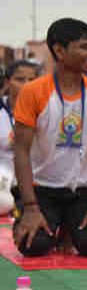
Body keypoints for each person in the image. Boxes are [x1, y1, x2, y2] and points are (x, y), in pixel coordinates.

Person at [12, 18, 87, 258]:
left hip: (83, 190)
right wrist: (30, 207)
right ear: (59, 51)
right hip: (43, 189)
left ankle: (69, 225)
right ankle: (48, 221)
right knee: (33, 246)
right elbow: (21, 152)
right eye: (85, 47)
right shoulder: (33, 92)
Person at [0, 61, 38, 214]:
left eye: (31, 80)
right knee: (3, 202)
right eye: (20, 79)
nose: (26, 85)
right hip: (3, 172)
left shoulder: (45, 109)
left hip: (33, 175)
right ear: (8, 82)